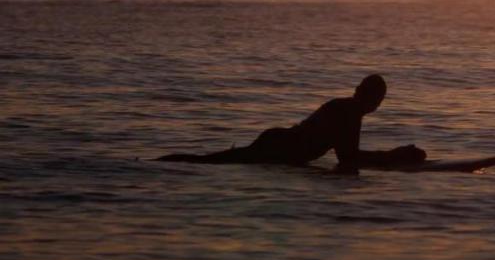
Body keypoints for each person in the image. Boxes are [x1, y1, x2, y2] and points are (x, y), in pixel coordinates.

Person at [158, 74, 426, 169]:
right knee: (208, 162)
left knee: (209, 161)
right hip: (279, 148)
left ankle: (159, 163)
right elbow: (348, 159)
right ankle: (160, 164)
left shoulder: (346, 107)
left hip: (277, 142)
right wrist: (393, 155)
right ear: (375, 101)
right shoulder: (350, 112)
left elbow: (346, 156)